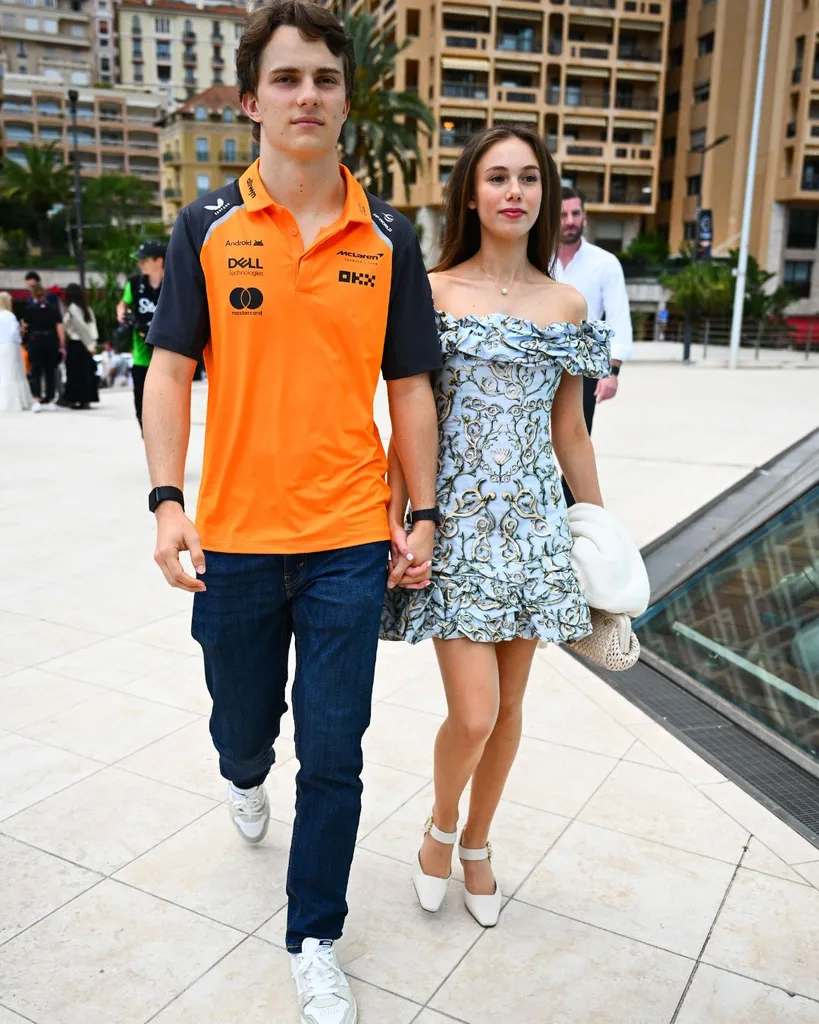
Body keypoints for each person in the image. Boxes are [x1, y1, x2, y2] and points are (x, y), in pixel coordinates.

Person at [142, 3, 440, 1021]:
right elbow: (171, 370)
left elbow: (409, 386)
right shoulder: (206, 227)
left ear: (347, 96)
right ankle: (241, 764)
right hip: (232, 536)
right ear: (251, 98)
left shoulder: (390, 236)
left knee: (338, 746)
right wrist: (168, 499)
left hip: (351, 537)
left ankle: (315, 931)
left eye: (323, 77)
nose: (305, 95)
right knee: (243, 724)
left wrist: (426, 511)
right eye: (286, 78)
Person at [381, 124, 612, 929]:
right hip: (456, 526)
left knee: (511, 709)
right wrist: (398, 511)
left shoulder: (568, 303)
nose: (513, 192)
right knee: (473, 711)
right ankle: (439, 831)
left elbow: (570, 430)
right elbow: (409, 410)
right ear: (470, 194)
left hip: (536, 530)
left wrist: (598, 533)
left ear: (545, 197)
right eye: (496, 178)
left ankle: (479, 844)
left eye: (527, 179)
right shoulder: (433, 288)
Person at [554, 187, 632, 505]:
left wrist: (612, 371)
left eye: (575, 214)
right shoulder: (532, 258)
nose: (570, 221)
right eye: (562, 215)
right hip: (535, 366)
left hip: (583, 371)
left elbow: (618, 319)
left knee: (576, 443)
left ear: (584, 217)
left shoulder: (605, 263)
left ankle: (571, 514)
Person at [117, 240, 165, 431]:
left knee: (165, 401)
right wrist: (122, 314)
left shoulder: (174, 283)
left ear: (158, 261)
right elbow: (123, 304)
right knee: (141, 402)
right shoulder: (134, 284)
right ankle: (148, 438)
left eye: (144, 260)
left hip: (166, 353)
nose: (140, 263)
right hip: (142, 353)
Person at [20, 278, 64, 412]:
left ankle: (36, 399)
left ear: (33, 294)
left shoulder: (30, 309)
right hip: (50, 341)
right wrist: (61, 344)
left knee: (36, 371)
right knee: (50, 371)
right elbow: (60, 328)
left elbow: (25, 327)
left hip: (36, 340)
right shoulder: (53, 309)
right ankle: (51, 399)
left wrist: (23, 337)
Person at [62, 283, 99, 409]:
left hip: (77, 343)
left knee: (75, 373)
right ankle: (85, 399)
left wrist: (89, 344)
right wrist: (92, 343)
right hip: (86, 345)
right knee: (85, 373)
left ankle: (76, 398)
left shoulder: (72, 308)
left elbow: (80, 327)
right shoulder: (85, 308)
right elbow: (91, 326)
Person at [0, 292, 32, 413]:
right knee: (13, 372)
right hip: (10, 347)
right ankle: (16, 401)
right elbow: (14, 334)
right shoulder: (10, 316)